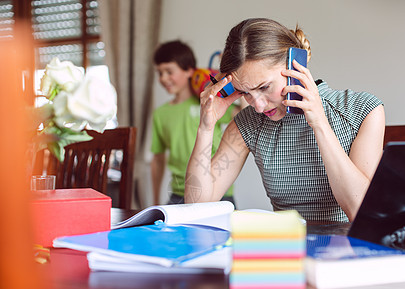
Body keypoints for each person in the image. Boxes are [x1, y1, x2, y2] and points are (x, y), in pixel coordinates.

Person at [184, 18, 385, 222]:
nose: (259, 106)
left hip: (348, 248)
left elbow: (360, 212)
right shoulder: (248, 124)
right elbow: (197, 206)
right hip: (285, 248)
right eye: (245, 93)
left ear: (296, 66)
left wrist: (319, 125)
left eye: (264, 88)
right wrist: (206, 128)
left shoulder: (362, 110)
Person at [151, 40, 236, 205]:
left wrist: (231, 73)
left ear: (190, 70)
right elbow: (158, 159)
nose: (163, 78)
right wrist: (155, 200)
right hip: (177, 195)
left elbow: (243, 115)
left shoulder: (209, 103)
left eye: (169, 71)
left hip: (217, 192)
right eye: (159, 73)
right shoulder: (160, 114)